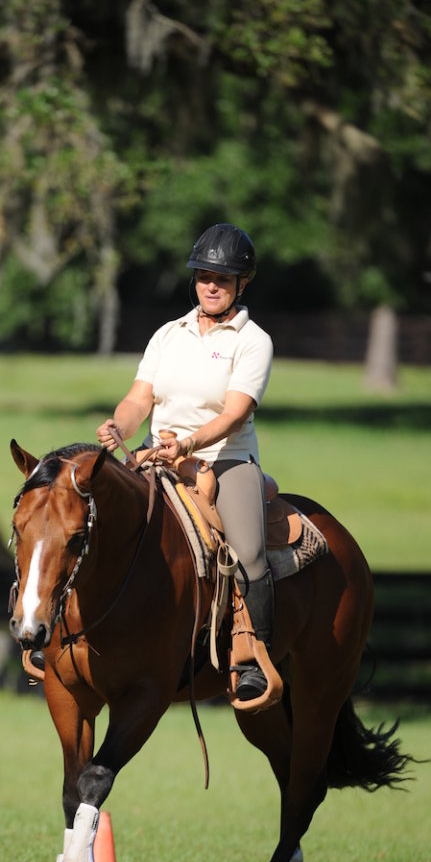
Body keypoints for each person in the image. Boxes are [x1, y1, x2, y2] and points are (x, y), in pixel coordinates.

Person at [97, 222, 275, 701]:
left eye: (222, 277)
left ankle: (252, 655)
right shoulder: (168, 335)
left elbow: (237, 413)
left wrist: (189, 445)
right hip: (158, 458)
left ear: (242, 283)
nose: (211, 285)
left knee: (251, 552)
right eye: (203, 275)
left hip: (225, 461)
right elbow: (139, 399)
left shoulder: (252, 340)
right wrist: (120, 427)